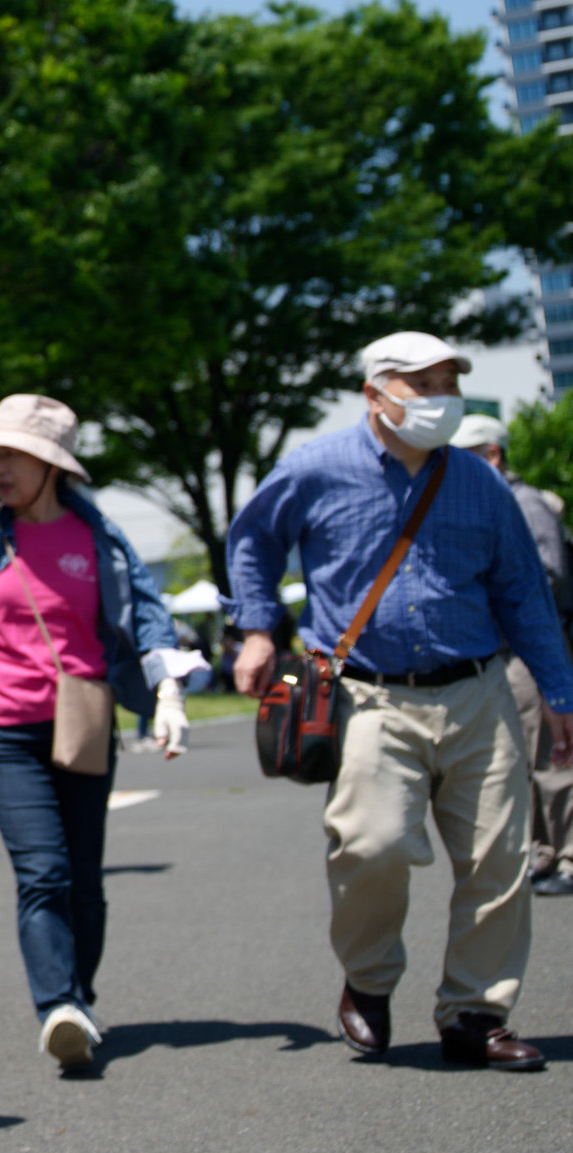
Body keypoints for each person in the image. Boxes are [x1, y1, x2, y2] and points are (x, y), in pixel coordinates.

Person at [227, 332, 572, 1072]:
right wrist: (257, 630)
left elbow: (523, 590)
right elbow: (252, 540)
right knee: (372, 843)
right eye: (424, 384)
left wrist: (559, 690)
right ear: (375, 393)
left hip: (478, 689)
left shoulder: (480, 482)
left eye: (450, 383)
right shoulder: (315, 467)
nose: (442, 398)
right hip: (368, 695)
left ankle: (475, 1014)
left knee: (500, 858)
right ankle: (369, 977)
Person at [0, 394, 179, 1070]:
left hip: (85, 720)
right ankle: (57, 1005)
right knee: (44, 870)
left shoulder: (100, 538)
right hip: (4, 729)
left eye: (14, 456)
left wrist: (168, 688)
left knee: (85, 881)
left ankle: (79, 999)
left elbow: (145, 613)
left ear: (52, 466)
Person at [453, 413, 573, 897]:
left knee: (552, 755)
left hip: (531, 650)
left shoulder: (526, 503)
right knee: (523, 756)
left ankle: (569, 855)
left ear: (492, 454)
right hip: (506, 651)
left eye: (463, 456)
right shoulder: (492, 502)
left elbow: (548, 574)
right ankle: (544, 852)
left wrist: (484, 596)